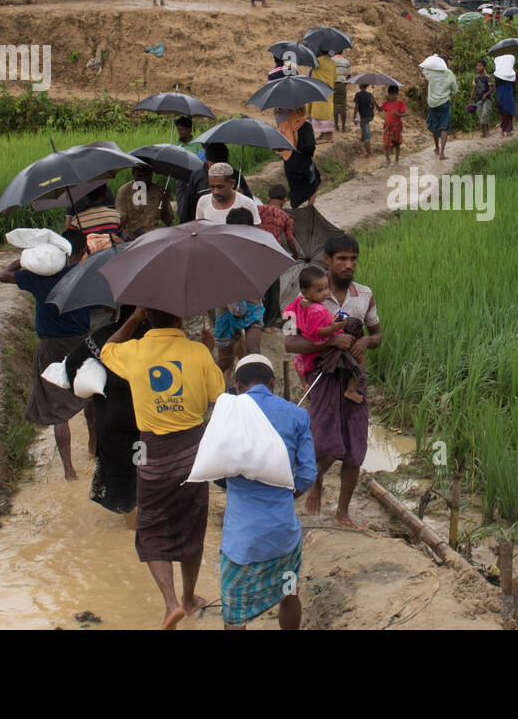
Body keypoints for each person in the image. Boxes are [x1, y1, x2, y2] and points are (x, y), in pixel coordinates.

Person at [101, 305, 226, 629]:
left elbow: (106, 350)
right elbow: (219, 395)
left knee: (152, 525)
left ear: (149, 318)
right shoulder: (197, 351)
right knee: (192, 524)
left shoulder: (136, 350)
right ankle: (188, 597)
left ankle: (170, 603)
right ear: (179, 319)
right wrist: (209, 354)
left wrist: (132, 318)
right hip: (192, 452)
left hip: (151, 452)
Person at [285, 234, 381, 530]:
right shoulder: (301, 301)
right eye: (342, 259)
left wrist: (364, 341)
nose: (348, 264)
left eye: (353, 258)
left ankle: (342, 512)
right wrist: (329, 343)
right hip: (323, 379)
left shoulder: (364, 295)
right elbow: (290, 343)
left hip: (354, 377)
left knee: (355, 447)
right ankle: (301, 492)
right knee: (323, 446)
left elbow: (377, 335)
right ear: (327, 259)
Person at [218, 354, 316, 630]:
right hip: (282, 534)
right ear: (273, 383)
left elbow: (214, 465)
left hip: (242, 540)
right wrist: (284, 494)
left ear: (237, 384)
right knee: (289, 592)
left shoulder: (227, 415)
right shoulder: (298, 415)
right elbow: (307, 475)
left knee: (234, 613)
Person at [0, 228, 94, 481]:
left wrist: (24, 259)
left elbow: (2, 275)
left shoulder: (37, 278)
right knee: (90, 394)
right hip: (81, 343)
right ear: (79, 251)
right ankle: (94, 445)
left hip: (51, 345)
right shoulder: (81, 275)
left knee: (56, 405)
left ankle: (69, 470)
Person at [64, 305, 145, 528]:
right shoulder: (155, 336)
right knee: (147, 471)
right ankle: (145, 525)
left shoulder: (101, 337)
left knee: (121, 475)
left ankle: (132, 527)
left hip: (113, 421)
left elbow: (71, 366)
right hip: (150, 421)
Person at [286, 265, 365, 402]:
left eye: (326, 288)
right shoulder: (318, 310)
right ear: (305, 292)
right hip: (323, 343)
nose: (326, 293)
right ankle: (351, 390)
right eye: (320, 290)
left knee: (297, 360)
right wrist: (334, 328)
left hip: (305, 348)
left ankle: (306, 384)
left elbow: (287, 313)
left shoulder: (297, 303)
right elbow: (316, 331)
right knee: (360, 359)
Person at [212, 209, 266, 366]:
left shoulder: (221, 248)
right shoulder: (258, 247)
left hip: (227, 301)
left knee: (226, 357)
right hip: (248, 299)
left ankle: (225, 384)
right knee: (252, 350)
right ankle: (252, 376)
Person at [257, 184, 300, 331]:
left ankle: (256, 319)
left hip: (255, 251)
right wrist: (295, 254)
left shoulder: (258, 210)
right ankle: (269, 323)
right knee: (273, 288)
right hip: (273, 254)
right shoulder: (286, 217)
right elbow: (289, 239)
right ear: (285, 200)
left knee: (259, 286)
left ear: (268, 198)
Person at [278, 107, 320, 208]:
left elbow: (277, 147)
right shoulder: (306, 126)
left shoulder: (283, 126)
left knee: (295, 190)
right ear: (302, 111)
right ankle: (309, 208)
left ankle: (296, 210)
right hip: (304, 164)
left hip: (289, 166)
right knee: (314, 182)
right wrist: (309, 153)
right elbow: (310, 146)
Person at [117, 164, 173, 238]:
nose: (144, 180)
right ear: (133, 174)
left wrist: (165, 204)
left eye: (147, 175)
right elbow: (120, 220)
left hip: (154, 234)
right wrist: (125, 234)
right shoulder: (124, 191)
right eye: (140, 176)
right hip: (133, 236)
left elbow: (168, 222)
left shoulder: (159, 191)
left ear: (152, 174)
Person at [196, 162, 260, 225]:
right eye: (212, 187)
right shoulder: (203, 202)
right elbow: (199, 229)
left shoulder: (247, 204)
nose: (216, 192)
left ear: (232, 183)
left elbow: (257, 233)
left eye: (220, 187)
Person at [421, 54, 457, 160]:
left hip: (432, 104)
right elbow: (455, 90)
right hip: (444, 103)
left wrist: (433, 58)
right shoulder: (449, 73)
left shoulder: (430, 73)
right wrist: (450, 93)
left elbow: (424, 70)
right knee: (443, 128)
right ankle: (442, 153)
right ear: (446, 63)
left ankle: (436, 148)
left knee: (434, 126)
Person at [309, 50, 337, 143]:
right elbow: (335, 76)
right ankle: (330, 137)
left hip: (319, 90)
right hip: (329, 90)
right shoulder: (332, 62)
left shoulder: (316, 61)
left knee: (320, 112)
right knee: (328, 112)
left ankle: (325, 137)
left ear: (320, 51)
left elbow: (313, 75)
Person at [381, 85, 407, 166]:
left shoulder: (400, 103)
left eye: (394, 94)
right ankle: (387, 159)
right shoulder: (386, 103)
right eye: (391, 95)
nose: (393, 96)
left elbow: (405, 114)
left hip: (396, 126)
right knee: (386, 143)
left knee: (397, 143)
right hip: (388, 126)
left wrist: (398, 114)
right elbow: (379, 109)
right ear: (388, 95)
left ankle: (397, 160)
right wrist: (373, 102)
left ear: (397, 94)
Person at [493, 54, 518, 136]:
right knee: (507, 111)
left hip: (502, 93)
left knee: (505, 111)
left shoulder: (498, 73)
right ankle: (505, 130)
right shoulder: (509, 73)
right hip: (507, 92)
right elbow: (514, 81)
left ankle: (506, 130)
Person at [352, 82, 377, 157]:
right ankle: (363, 138)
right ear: (366, 86)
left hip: (364, 116)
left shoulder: (358, 94)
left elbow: (356, 106)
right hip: (371, 115)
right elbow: (373, 107)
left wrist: (354, 115)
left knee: (366, 132)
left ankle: (368, 153)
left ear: (360, 86)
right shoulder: (370, 95)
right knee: (364, 126)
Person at [472, 58, 494, 137]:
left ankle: (486, 131)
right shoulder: (475, 79)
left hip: (487, 99)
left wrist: (486, 94)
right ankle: (483, 132)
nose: (478, 67)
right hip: (478, 100)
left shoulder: (487, 77)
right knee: (481, 115)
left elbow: (492, 88)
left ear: (484, 67)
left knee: (485, 114)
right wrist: (470, 100)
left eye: (480, 66)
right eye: (477, 66)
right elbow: (474, 90)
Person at [332, 53, 350, 133]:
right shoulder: (346, 62)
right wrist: (345, 83)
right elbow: (349, 75)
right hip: (342, 84)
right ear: (342, 51)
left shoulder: (331, 60)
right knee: (342, 106)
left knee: (335, 105)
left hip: (333, 84)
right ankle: (343, 127)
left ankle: (336, 127)